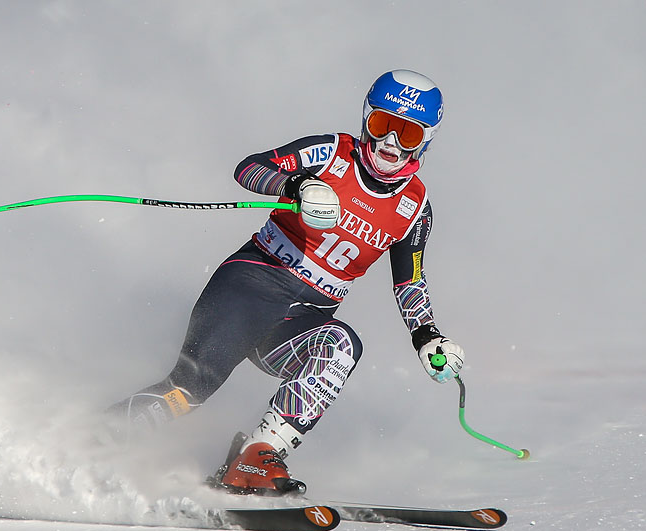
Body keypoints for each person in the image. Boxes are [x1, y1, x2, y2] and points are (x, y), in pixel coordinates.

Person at [105, 69, 465, 495]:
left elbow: (409, 280)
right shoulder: (332, 153)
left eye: (406, 132)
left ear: (426, 139)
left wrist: (427, 336)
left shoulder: (414, 205)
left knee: (341, 347)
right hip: (251, 286)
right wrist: (296, 184)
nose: (390, 143)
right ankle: (93, 440)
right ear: (366, 119)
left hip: (299, 321)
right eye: (382, 125)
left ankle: (257, 457)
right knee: (190, 390)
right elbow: (250, 169)